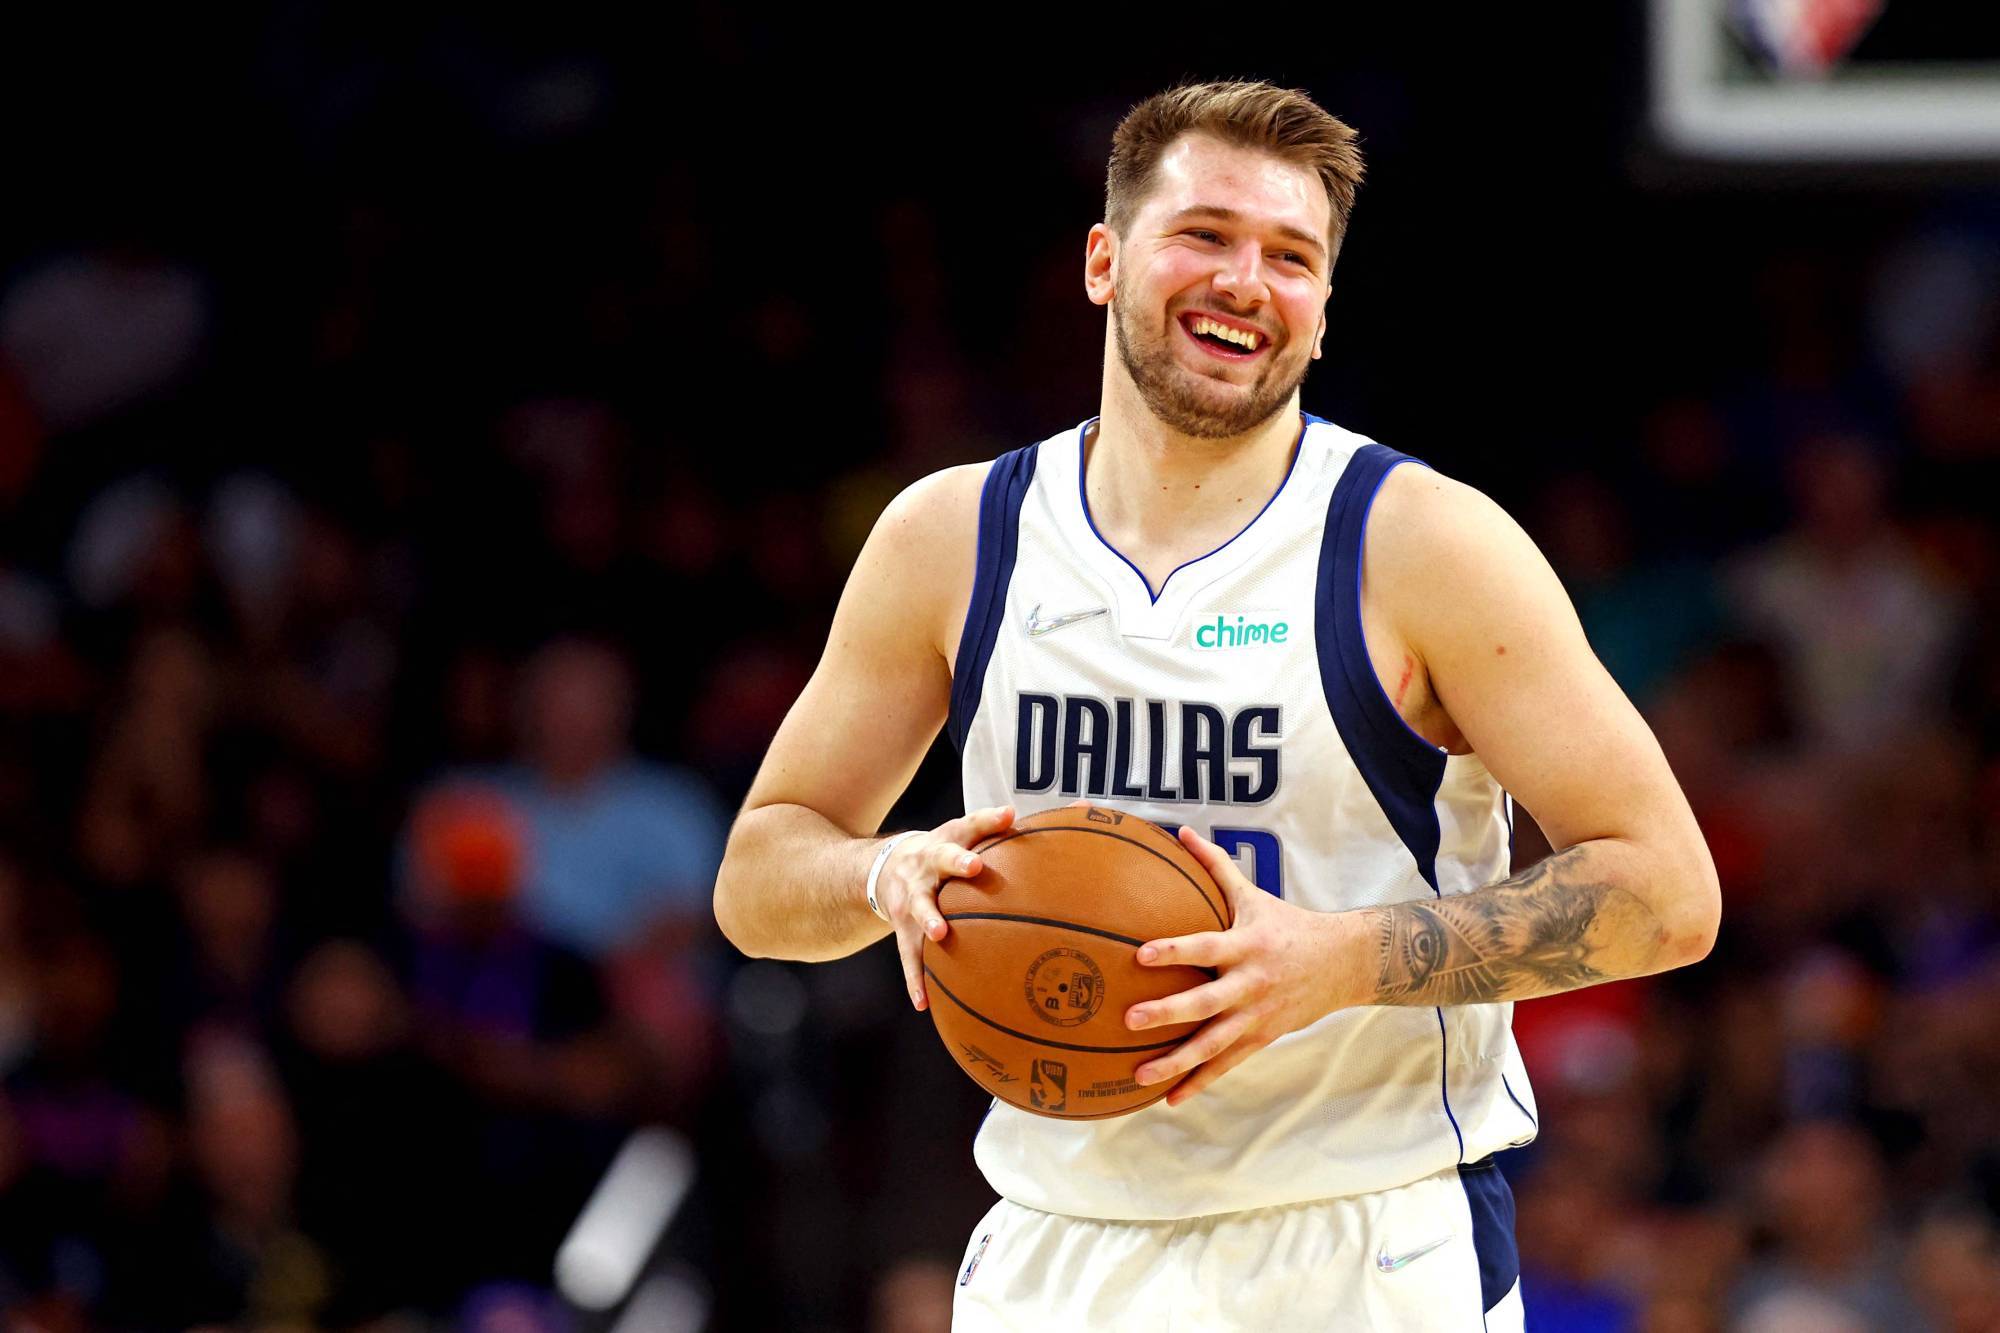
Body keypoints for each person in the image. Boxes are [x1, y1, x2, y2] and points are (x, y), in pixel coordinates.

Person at [713, 80, 1719, 1330]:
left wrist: (1335, 958)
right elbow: (757, 880)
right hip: (1055, 1247)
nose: (1245, 281)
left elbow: (1667, 893)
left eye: (1289, 257)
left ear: (1322, 308)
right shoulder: (952, 537)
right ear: (1103, 260)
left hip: (1364, 1243)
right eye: (1204, 234)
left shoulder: (1424, 547)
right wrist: (887, 877)